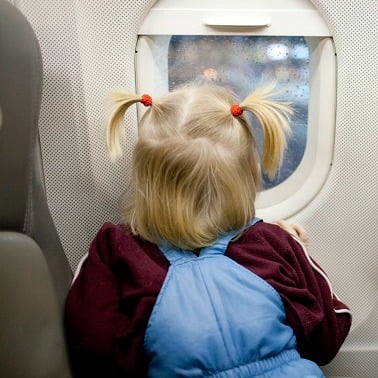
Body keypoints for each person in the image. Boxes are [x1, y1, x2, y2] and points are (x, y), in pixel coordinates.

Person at [64, 83, 351, 377]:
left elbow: (93, 351)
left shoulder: (119, 251)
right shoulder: (273, 243)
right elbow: (326, 339)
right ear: (251, 173)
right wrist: (300, 251)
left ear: (144, 180)